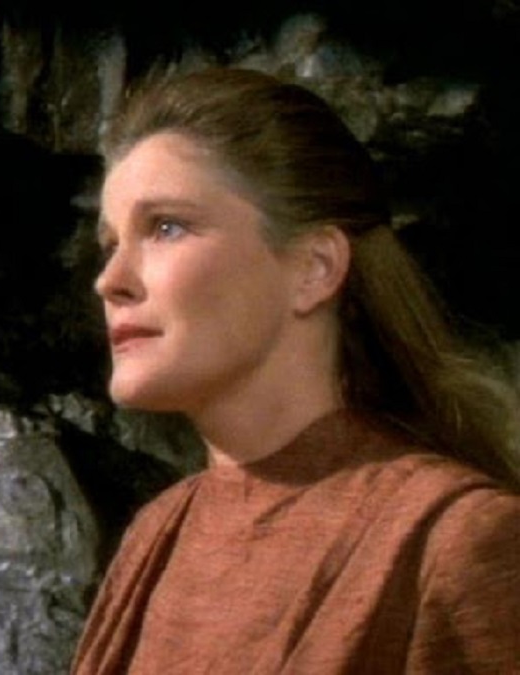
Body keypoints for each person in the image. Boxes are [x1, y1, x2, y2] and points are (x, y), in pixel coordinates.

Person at [71, 66, 520, 674]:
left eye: (166, 227)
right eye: (110, 244)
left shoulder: (455, 543)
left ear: (315, 268)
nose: (110, 280)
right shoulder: (157, 536)